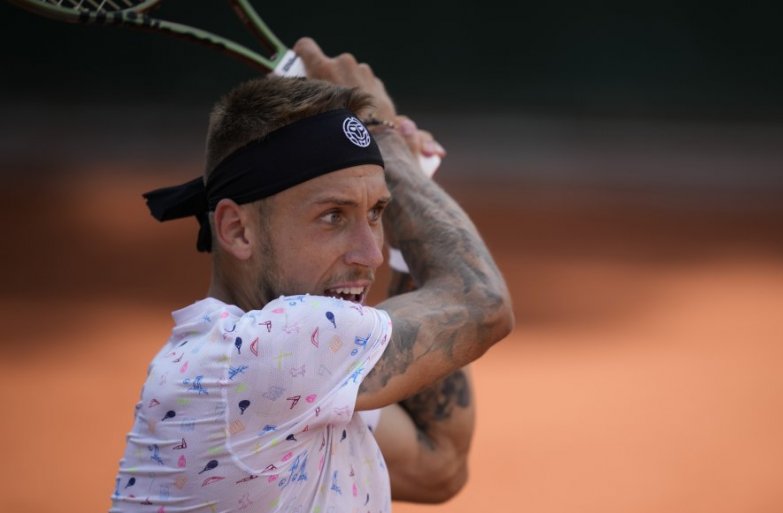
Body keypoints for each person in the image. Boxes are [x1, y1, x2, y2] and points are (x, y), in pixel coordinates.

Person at [109, 37, 514, 513]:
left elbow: (437, 464)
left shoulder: (287, 377)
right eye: (333, 216)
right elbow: (482, 303)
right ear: (237, 230)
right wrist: (389, 143)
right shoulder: (273, 351)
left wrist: (407, 176)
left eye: (377, 212)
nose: (371, 255)